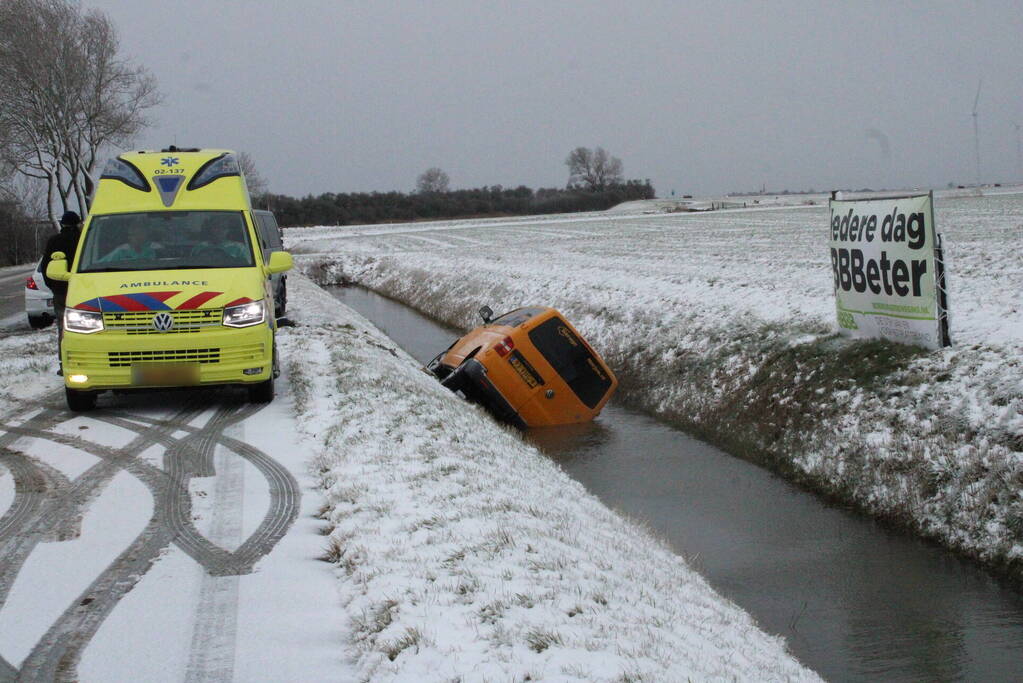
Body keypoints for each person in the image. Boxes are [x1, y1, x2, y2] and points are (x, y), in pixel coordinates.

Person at [41, 211, 83, 372]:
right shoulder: (82, 240)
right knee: (85, 327)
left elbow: (46, 266)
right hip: (84, 289)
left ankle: (64, 363)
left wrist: (54, 285)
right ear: (77, 223)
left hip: (60, 290)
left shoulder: (54, 241)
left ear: (63, 224)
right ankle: (82, 360)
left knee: (63, 326)